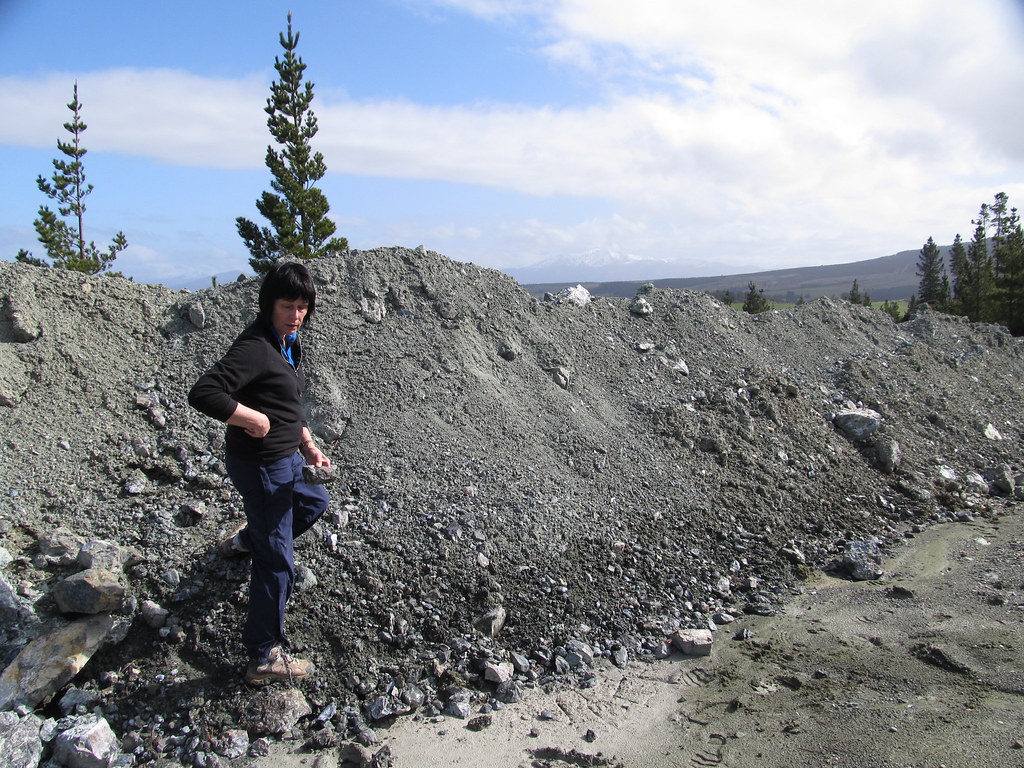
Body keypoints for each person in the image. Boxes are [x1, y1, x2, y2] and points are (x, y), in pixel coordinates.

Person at [188, 261, 330, 685]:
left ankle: (248, 539)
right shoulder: (254, 347)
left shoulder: (288, 342)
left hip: (287, 457)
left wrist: (306, 442)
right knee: (279, 561)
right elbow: (204, 392)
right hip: (261, 464)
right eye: (288, 305)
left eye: (303, 306)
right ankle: (262, 655)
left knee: (314, 501)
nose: (296, 314)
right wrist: (249, 418)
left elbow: (287, 402)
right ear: (269, 303)